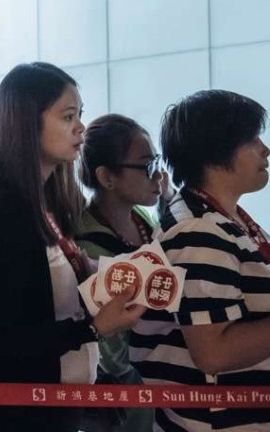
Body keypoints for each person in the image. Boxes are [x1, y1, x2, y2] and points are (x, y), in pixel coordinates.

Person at [0, 63, 145, 432]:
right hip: (19, 416)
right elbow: (2, 338)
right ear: (27, 122)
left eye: (80, 114)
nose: (80, 128)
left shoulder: (45, 202)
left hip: (57, 405)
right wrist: (94, 328)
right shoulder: (2, 209)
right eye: (67, 116)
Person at [131, 90, 270, 431]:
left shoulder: (225, 219)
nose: (265, 150)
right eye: (252, 139)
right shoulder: (197, 229)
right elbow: (213, 353)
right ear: (216, 151)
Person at [75, 114, 166, 432]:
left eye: (156, 162)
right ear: (107, 177)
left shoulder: (143, 218)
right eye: (146, 166)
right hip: (125, 404)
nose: (158, 176)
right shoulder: (85, 244)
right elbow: (110, 353)